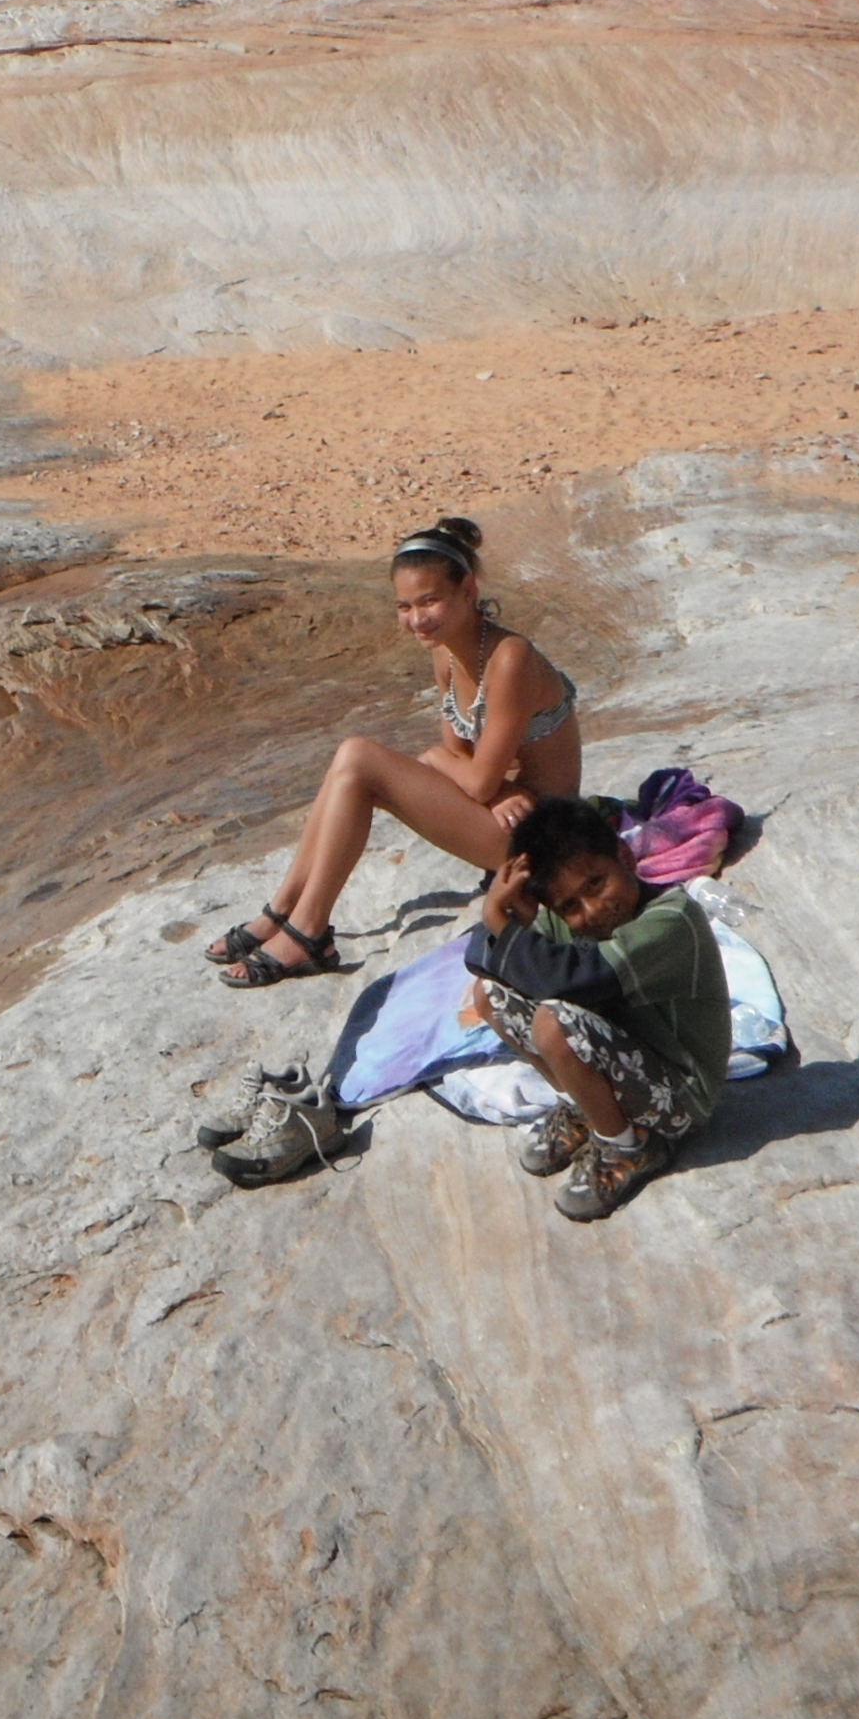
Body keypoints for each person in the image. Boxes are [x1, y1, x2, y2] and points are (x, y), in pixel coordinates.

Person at [206, 518, 582, 987]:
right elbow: (456, 756)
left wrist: (473, 778)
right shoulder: (446, 652)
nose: (417, 619)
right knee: (351, 763)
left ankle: (307, 930)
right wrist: (476, 778)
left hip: (548, 840)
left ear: (468, 589)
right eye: (404, 606)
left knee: (359, 757)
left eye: (430, 601)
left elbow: (469, 774)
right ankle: (285, 910)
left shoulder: (511, 658)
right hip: (501, 816)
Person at [463, 795, 731, 1221]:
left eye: (595, 884)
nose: (591, 910)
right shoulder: (564, 917)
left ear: (625, 857)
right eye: (569, 906)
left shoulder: (671, 921)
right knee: (487, 995)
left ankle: (630, 1147)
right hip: (629, 1063)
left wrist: (499, 920)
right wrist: (518, 918)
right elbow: (480, 960)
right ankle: (583, 1110)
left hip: (680, 1095)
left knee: (552, 1024)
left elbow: (568, 980)